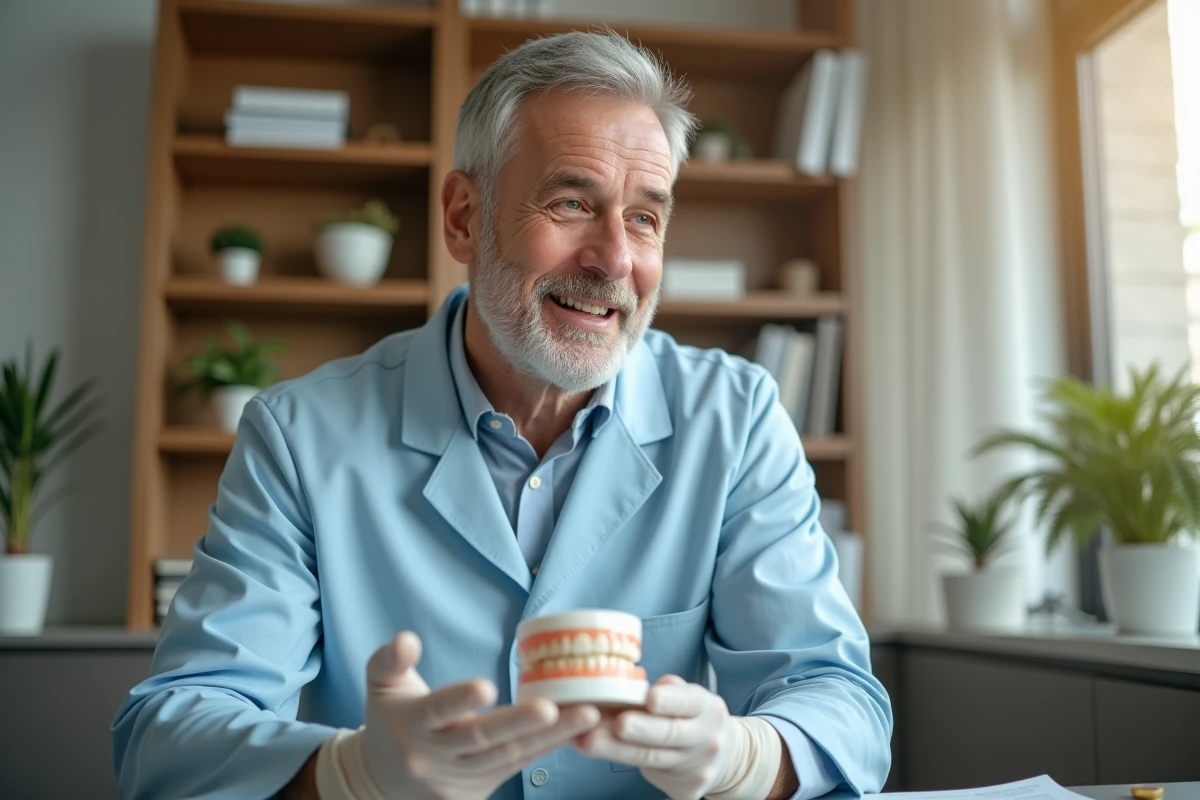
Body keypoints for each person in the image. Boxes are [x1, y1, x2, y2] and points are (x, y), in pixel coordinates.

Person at [112, 30, 891, 800]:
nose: (615, 259)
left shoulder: (736, 418)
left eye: (644, 218)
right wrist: (351, 773)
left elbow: (842, 701)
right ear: (462, 217)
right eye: (572, 203)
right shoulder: (298, 437)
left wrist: (743, 757)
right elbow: (167, 735)